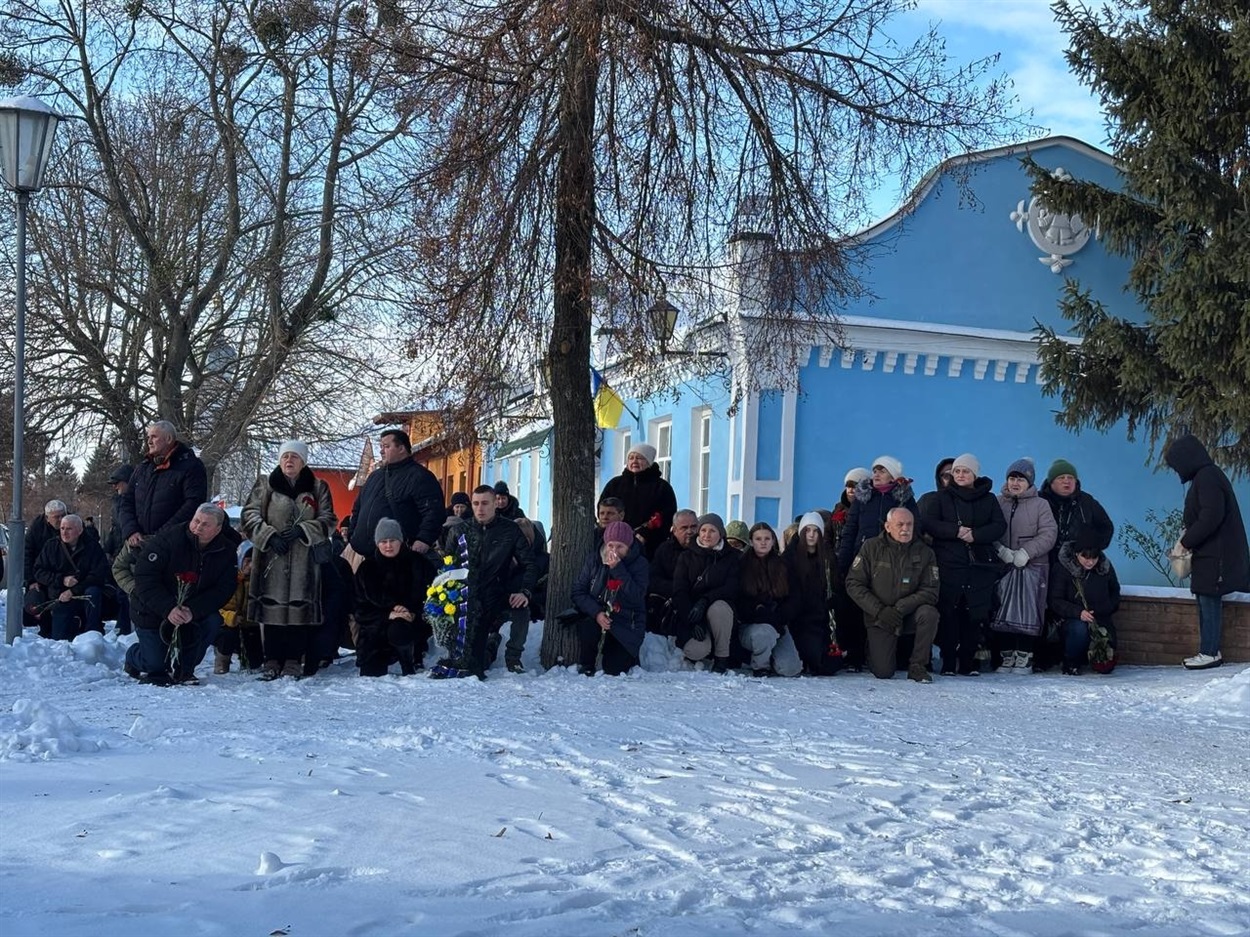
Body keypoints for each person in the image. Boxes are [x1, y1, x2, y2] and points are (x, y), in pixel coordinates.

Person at [242, 440, 337, 680]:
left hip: (304, 562)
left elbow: (329, 519)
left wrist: (304, 530)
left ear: (303, 461)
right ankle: (271, 660)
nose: (289, 461)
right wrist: (268, 536)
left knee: (299, 612)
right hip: (271, 558)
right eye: (285, 457)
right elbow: (249, 515)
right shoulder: (265, 485)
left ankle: (294, 660)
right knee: (271, 612)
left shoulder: (318, 487)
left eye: (295, 457)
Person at [430, 485, 536, 679]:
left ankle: (513, 657)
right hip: (467, 599)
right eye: (476, 503)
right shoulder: (459, 530)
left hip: (498, 593)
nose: (480, 508)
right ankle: (490, 646)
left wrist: (524, 591)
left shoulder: (510, 530)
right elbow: (448, 567)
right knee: (474, 665)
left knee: (522, 608)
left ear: (495, 503)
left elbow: (529, 564)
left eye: (485, 503)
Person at [125, 504, 238, 686]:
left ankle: (185, 667)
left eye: (205, 525)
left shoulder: (227, 551)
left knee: (213, 620)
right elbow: (145, 578)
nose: (198, 527)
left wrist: (193, 610)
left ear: (217, 529)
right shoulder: (167, 539)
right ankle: (134, 656)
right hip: (153, 609)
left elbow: (223, 589)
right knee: (155, 665)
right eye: (196, 521)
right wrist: (168, 608)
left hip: (193, 611)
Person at [1164, 433, 1249, 670]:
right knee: (1204, 597)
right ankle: (1208, 650)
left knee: (1209, 599)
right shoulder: (1206, 476)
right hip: (1210, 553)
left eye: (1176, 466)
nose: (1176, 472)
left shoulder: (1208, 477)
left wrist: (1186, 541)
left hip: (1216, 555)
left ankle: (1210, 652)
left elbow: (1211, 516)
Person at [921, 453, 1007, 676]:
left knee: (974, 614)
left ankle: (968, 662)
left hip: (979, 565)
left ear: (974, 474)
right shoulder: (941, 498)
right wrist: (955, 531)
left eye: (965, 471)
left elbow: (999, 526)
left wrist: (976, 535)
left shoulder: (988, 499)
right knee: (949, 612)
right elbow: (929, 523)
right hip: (949, 563)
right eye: (956, 471)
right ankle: (949, 662)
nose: (960, 475)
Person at [844, 508, 940, 682]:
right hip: (879, 617)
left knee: (929, 614)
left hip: (909, 614)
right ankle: (872, 650)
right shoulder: (871, 547)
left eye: (909, 524)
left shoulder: (925, 552)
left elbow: (931, 591)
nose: (906, 528)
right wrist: (880, 611)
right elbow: (854, 584)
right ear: (888, 527)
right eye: (900, 524)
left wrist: (901, 608)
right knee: (883, 672)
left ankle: (918, 666)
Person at [990, 458, 1057, 672]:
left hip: (1032, 566)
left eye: (1020, 479)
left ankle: (1025, 655)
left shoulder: (1041, 504)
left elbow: (1049, 533)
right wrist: (1000, 550)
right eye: (1012, 478)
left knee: (1027, 611)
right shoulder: (999, 502)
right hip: (1005, 566)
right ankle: (1006, 655)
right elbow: (989, 528)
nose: (1015, 483)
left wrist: (1027, 552)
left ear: (1029, 482)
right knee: (1004, 610)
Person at [346, 428, 445, 566]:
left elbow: (434, 512)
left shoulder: (419, 477)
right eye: (381, 447)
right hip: (365, 557)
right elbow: (358, 508)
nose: (381, 451)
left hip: (398, 560)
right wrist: (353, 534)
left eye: (386, 446)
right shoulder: (375, 476)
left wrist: (424, 539)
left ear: (401, 448)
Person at [354, 519, 433, 676]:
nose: (388, 545)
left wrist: (411, 612)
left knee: (399, 628)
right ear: (377, 543)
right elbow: (359, 608)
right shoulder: (367, 569)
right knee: (371, 673)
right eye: (384, 541)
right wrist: (388, 614)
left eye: (392, 540)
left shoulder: (419, 564)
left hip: (410, 625)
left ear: (401, 541)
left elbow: (432, 597)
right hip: (375, 630)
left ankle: (410, 661)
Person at [570, 520, 649, 675]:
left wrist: (618, 569)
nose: (614, 550)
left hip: (626, 621)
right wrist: (597, 613)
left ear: (629, 547)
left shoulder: (640, 564)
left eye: (620, 547)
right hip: (598, 615)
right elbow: (578, 591)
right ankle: (587, 665)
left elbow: (637, 597)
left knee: (615, 670)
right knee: (587, 627)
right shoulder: (594, 560)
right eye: (611, 545)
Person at [118, 420, 209, 547]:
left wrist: (162, 536)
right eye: (148, 437)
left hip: (175, 546)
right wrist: (131, 531)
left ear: (169, 438)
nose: (149, 441)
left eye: (154, 437)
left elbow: (193, 504)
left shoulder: (190, 466)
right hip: (139, 544)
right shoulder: (142, 469)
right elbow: (126, 502)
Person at [672, 513, 741, 672]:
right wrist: (693, 620)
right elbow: (679, 591)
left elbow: (731, 587)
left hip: (720, 611)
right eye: (703, 530)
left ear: (721, 534)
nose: (707, 535)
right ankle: (708, 647)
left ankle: (721, 657)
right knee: (695, 651)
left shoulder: (732, 557)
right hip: (693, 613)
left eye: (712, 531)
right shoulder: (687, 556)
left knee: (720, 608)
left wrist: (705, 600)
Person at [1049, 533, 1121, 676]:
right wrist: (1078, 612)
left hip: (1100, 618)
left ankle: (1093, 659)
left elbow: (1115, 591)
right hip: (1071, 620)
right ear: (1076, 554)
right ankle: (1071, 662)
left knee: (1106, 666)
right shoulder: (1063, 568)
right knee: (1078, 629)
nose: (1090, 562)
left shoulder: (1104, 568)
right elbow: (1054, 600)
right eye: (1085, 557)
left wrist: (1106, 608)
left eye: (1094, 558)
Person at [735, 522, 801, 677]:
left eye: (767, 538)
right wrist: (759, 613)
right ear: (751, 541)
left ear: (773, 540)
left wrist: (779, 617)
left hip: (778, 623)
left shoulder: (783, 566)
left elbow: (794, 599)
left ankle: (771, 655)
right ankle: (760, 666)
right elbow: (738, 600)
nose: (763, 542)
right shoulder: (741, 566)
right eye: (758, 539)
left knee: (790, 669)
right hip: (751, 626)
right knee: (763, 634)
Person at [32, 514, 110, 640]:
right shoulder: (52, 546)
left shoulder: (92, 547)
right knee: (59, 638)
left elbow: (99, 574)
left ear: (80, 530)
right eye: (62, 528)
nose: (64, 532)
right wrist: (61, 579)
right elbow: (39, 571)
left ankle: (92, 634)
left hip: (85, 593)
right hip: (59, 595)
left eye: (69, 529)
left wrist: (74, 590)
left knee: (93, 592)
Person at [836, 456, 920, 574]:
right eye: (874, 471)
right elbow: (850, 530)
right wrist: (843, 562)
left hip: (894, 560)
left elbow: (915, 528)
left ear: (892, 476)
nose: (876, 475)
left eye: (882, 471)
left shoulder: (904, 499)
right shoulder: (861, 499)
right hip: (863, 557)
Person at [486, 516, 548, 673]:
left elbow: (544, 589)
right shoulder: (501, 557)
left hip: (529, 605)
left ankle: (513, 657)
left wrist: (526, 596)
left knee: (520, 611)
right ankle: (488, 648)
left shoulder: (541, 560)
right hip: (500, 601)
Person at [598, 442, 678, 559]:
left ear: (649, 462)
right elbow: (602, 510)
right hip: (615, 544)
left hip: (648, 548)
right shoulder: (614, 484)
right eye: (631, 458)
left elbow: (667, 516)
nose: (634, 461)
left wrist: (646, 534)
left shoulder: (662, 487)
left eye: (639, 458)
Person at [783, 512, 841, 675]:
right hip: (798, 619)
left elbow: (836, 587)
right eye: (807, 530)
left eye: (815, 531)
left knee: (829, 665)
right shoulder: (790, 558)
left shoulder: (828, 558)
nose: (811, 535)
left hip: (822, 618)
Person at [829, 468, 870, 671]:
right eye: (848, 485)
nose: (851, 490)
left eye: (855, 485)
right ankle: (844, 651)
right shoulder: (837, 510)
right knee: (843, 612)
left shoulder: (868, 506)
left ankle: (858, 655)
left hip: (863, 565)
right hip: (842, 565)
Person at [1039, 458, 1114, 563]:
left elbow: (1106, 527)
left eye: (1070, 477)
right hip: (1044, 563)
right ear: (1051, 482)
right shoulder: (1038, 501)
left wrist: (1091, 550)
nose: (1066, 481)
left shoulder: (1087, 502)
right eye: (1061, 478)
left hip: (1078, 565)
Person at [646, 509, 698, 635]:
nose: (690, 531)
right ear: (674, 530)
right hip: (671, 604)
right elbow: (652, 580)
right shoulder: (664, 550)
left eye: (693, 527)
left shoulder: (707, 550)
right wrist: (678, 589)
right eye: (684, 528)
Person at [215, 546, 264, 673]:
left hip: (249, 626)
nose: (250, 565)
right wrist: (232, 617)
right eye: (247, 561)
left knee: (254, 663)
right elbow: (215, 608)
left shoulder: (262, 582)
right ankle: (222, 660)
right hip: (228, 624)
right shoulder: (228, 579)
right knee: (227, 633)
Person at [23, 500, 68, 637]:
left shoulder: (71, 523)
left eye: (63, 515)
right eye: (57, 517)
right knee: (39, 599)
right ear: (47, 518)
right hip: (41, 572)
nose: (61, 520)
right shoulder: (37, 529)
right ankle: (45, 629)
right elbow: (27, 555)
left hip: (64, 572)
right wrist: (30, 580)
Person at [102, 466, 135, 634]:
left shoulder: (132, 500)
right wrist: (109, 548)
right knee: (121, 591)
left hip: (129, 549)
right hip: (119, 550)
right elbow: (115, 528)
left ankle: (125, 627)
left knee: (125, 590)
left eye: (118, 483)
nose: (115, 487)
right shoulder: (118, 501)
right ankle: (123, 625)